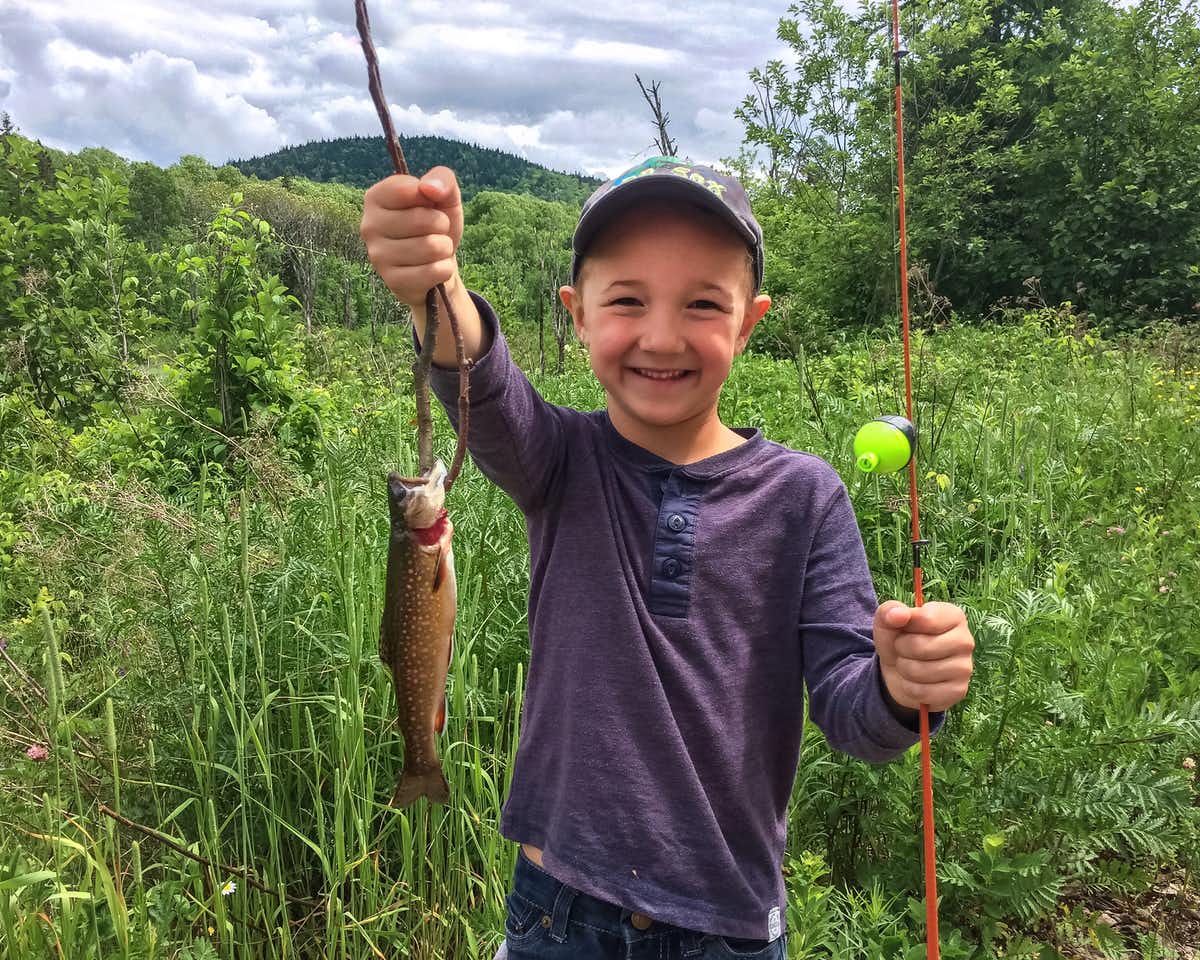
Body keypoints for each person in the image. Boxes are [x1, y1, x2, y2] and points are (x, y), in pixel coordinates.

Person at [360, 156, 975, 959]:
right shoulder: (558, 462)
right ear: (576, 316)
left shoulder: (806, 498)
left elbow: (858, 722)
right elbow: (482, 382)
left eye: (702, 304)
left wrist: (901, 688)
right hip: (560, 912)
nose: (661, 335)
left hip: (729, 928)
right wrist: (432, 289)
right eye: (626, 301)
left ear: (748, 323)